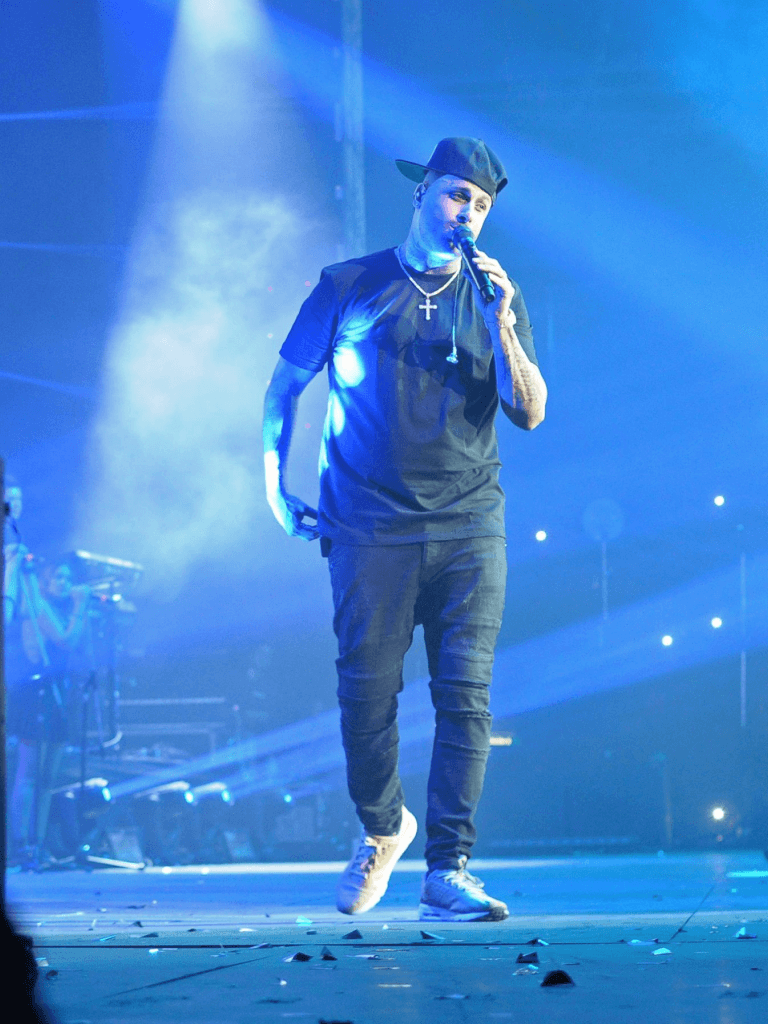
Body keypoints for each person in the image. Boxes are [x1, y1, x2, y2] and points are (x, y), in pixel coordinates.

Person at [263, 137, 547, 921]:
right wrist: (275, 488)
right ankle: (383, 828)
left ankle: (448, 869)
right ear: (423, 193)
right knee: (366, 695)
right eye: (457, 194)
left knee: (466, 697)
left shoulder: (496, 296)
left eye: (482, 205)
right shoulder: (350, 283)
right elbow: (284, 387)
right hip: (367, 524)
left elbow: (529, 412)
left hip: (469, 523)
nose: (468, 213)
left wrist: (502, 324)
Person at [7, 554, 92, 868]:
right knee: (29, 773)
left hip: (57, 696)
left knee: (48, 779)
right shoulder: (38, 606)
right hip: (36, 695)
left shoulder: (61, 609)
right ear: (44, 581)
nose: (65, 584)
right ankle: (21, 846)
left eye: (68, 578)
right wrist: (80, 607)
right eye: (59, 577)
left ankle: (38, 844)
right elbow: (65, 640)